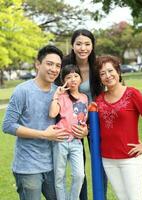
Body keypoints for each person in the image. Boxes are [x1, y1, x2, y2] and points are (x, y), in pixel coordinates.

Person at [2, 45, 88, 200]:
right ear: (38, 64)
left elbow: (74, 115)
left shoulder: (60, 92)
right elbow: (8, 125)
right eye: (49, 64)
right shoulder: (23, 91)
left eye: (57, 66)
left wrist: (84, 131)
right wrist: (44, 135)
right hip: (29, 166)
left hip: (54, 163)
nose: (54, 69)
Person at [92, 55, 142, 200]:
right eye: (102, 73)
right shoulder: (99, 99)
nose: (107, 76)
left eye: (110, 71)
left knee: (135, 198)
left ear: (118, 71)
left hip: (130, 158)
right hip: (108, 159)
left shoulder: (132, 93)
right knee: (122, 198)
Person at [59, 29, 108, 200]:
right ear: (72, 45)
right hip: (72, 122)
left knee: (99, 160)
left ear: (92, 45)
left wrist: (89, 124)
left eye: (87, 44)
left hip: (94, 120)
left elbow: (102, 94)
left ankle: (101, 196)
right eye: (78, 43)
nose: (83, 48)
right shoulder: (65, 66)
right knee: (79, 166)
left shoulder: (97, 65)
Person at [49, 64, 88, 200]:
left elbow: (84, 119)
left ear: (80, 79)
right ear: (64, 80)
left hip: (77, 142)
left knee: (79, 175)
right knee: (59, 176)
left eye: (76, 76)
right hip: (61, 140)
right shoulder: (62, 97)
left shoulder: (84, 98)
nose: (73, 79)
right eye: (68, 77)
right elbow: (53, 113)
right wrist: (56, 95)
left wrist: (85, 130)